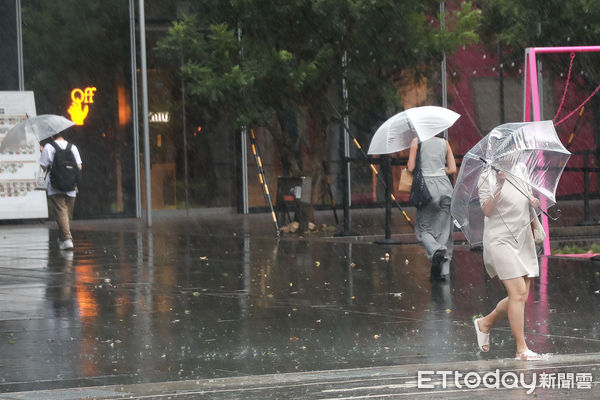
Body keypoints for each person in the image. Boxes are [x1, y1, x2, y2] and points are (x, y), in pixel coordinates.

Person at [473, 165, 542, 361]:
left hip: (522, 238)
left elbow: (525, 200)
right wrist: (500, 184)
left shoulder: (521, 168)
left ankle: (485, 323)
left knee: (520, 296)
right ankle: (521, 349)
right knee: (518, 293)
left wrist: (533, 202)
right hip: (500, 239)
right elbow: (487, 210)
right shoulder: (487, 174)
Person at [407, 134, 456, 281]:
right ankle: (443, 271)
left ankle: (436, 251)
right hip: (446, 188)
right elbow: (452, 169)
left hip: (427, 189)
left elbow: (410, 167)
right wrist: (440, 170)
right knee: (445, 229)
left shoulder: (416, 141)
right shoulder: (445, 142)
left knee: (424, 229)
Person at [40, 134, 83, 250]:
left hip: (55, 185)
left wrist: (43, 152)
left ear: (52, 135)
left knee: (61, 212)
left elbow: (43, 167)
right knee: (67, 213)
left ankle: (67, 239)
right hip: (71, 186)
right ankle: (64, 237)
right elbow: (79, 167)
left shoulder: (48, 147)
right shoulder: (72, 147)